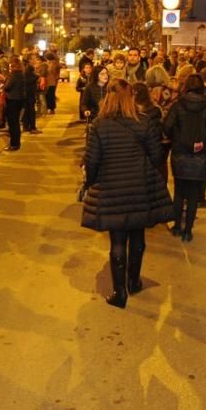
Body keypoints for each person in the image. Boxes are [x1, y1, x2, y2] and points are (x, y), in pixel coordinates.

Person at [81, 79, 172, 308]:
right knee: (138, 235)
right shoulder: (144, 122)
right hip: (139, 185)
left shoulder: (99, 125)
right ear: (131, 97)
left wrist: (91, 182)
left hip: (112, 187)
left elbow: (92, 161)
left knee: (117, 240)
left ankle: (119, 292)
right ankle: (134, 280)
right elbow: (156, 154)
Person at [164, 74, 206, 242]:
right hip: (200, 156)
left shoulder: (178, 105)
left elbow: (167, 126)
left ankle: (176, 226)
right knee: (193, 195)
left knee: (179, 193)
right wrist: (204, 144)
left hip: (180, 153)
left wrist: (177, 138)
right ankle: (188, 231)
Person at [3, 56, 26, 151]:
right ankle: (16, 143)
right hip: (20, 99)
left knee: (13, 123)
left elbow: (7, 86)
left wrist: (3, 84)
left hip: (12, 100)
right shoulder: (21, 74)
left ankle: (14, 144)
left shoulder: (14, 75)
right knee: (16, 122)